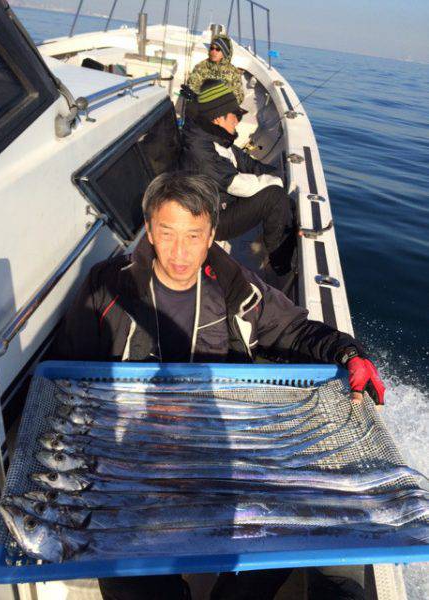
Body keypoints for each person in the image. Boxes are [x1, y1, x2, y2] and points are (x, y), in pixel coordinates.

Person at [55, 172, 385, 600]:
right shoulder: (106, 287)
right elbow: (66, 371)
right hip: (136, 453)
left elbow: (295, 330)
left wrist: (348, 353)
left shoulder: (235, 287)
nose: (180, 251)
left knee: (289, 537)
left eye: (193, 235)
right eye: (167, 233)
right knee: (126, 571)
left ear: (211, 233)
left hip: (224, 439)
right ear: (149, 231)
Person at [180, 79, 294, 277]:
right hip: (208, 219)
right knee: (275, 197)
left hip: (222, 203)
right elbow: (234, 183)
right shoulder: (200, 149)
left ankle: (288, 229)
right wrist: (276, 182)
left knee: (280, 195)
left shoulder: (215, 137)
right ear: (218, 118)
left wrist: (275, 174)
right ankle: (280, 266)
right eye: (235, 116)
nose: (237, 120)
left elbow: (246, 163)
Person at [188, 34, 244, 105]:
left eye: (218, 49)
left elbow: (239, 97)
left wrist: (222, 101)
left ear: (225, 52)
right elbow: (192, 87)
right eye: (212, 48)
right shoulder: (200, 67)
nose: (214, 51)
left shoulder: (233, 72)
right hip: (202, 107)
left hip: (223, 109)